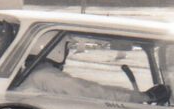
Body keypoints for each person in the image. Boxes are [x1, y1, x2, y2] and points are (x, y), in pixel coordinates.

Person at [16, 43, 167, 104]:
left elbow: (90, 88)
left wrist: (134, 94)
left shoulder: (37, 75)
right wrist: (144, 97)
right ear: (57, 51)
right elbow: (89, 91)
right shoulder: (45, 76)